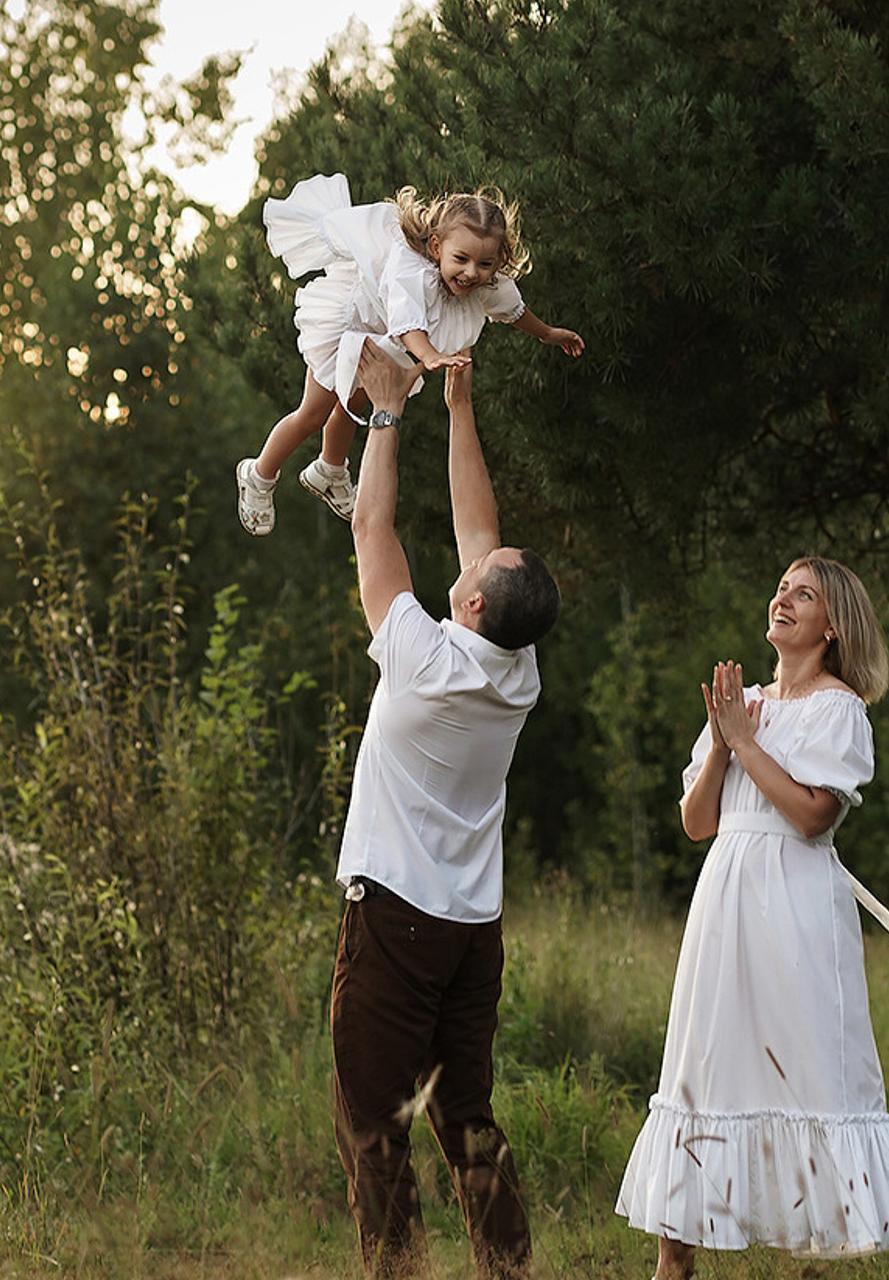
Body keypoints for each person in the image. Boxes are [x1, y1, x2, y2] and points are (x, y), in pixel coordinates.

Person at [616, 556, 889, 1280]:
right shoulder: (741, 702)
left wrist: (748, 742)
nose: (783, 599)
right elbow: (696, 823)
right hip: (724, 902)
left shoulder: (838, 709)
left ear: (832, 626)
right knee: (703, 1071)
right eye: (783, 588)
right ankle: (674, 1265)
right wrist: (722, 744)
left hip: (795, 907)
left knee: (829, 1085)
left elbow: (813, 817)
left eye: (804, 594)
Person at [328, 338, 560, 1278]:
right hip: (473, 928)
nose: (472, 558)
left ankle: (394, 1271)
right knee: (466, 1115)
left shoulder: (424, 661)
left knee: (374, 1115)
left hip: (395, 920)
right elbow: (479, 531)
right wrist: (459, 408)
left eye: (477, 571)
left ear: (469, 608)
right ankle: (506, 1270)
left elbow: (371, 534)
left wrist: (388, 413)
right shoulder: (516, 665)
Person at [236, 172, 584, 534]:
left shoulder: (483, 279)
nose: (471, 273)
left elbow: (510, 308)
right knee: (314, 412)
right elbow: (406, 322)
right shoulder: (411, 271)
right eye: (461, 259)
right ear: (436, 248)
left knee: (354, 403)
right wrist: (430, 355)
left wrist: (547, 333)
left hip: (376, 337)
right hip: (349, 322)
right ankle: (258, 474)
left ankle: (329, 469)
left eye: (484, 264)